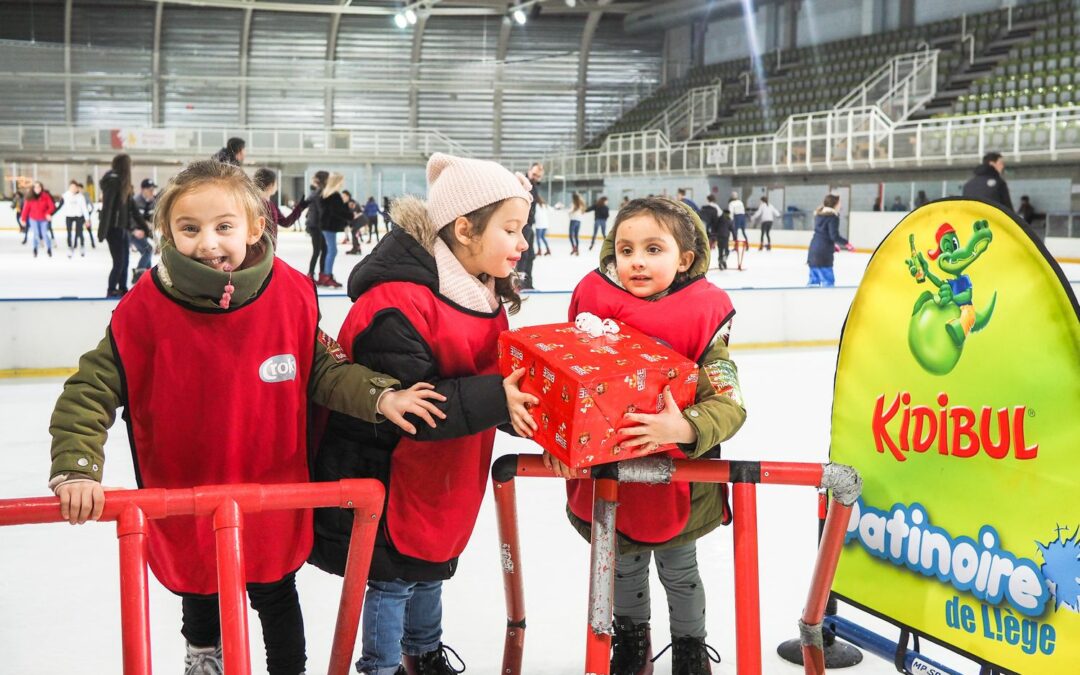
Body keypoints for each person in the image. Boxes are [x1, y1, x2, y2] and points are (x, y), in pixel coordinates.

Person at [48, 159, 443, 675]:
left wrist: (379, 396)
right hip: (187, 487)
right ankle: (204, 657)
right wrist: (77, 465)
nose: (208, 243)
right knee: (200, 586)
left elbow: (320, 369)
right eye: (189, 229)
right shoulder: (143, 310)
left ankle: (288, 669)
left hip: (271, 487)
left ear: (256, 227)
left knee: (275, 589)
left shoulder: (290, 295)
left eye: (224, 227)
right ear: (167, 231)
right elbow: (90, 388)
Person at [309, 153, 538, 675]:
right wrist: (500, 399)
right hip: (390, 472)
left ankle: (424, 651)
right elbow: (421, 406)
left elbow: (492, 383)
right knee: (393, 577)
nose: (522, 243)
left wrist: (532, 409)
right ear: (464, 227)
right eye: (511, 228)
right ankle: (382, 665)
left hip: (447, 473)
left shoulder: (483, 292)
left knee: (432, 565)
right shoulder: (399, 302)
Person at [544, 197, 746, 675]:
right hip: (609, 483)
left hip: (681, 486)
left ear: (685, 259)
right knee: (621, 568)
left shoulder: (705, 328)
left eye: (653, 249)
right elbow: (560, 390)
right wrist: (554, 443)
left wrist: (685, 426)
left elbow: (729, 404)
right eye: (625, 248)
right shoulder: (591, 319)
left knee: (681, 573)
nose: (636, 260)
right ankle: (632, 644)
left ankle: (690, 649)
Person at [98, 154, 147, 297]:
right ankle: (111, 290)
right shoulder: (113, 182)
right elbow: (107, 208)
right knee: (119, 262)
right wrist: (103, 231)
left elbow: (133, 210)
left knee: (125, 262)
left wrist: (146, 229)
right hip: (113, 229)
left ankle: (123, 288)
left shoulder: (123, 184)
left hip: (123, 229)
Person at [807, 194, 855, 287]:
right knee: (828, 283)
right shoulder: (833, 217)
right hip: (823, 255)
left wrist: (832, 246)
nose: (840, 205)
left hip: (813, 252)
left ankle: (809, 300)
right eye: (839, 203)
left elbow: (822, 234)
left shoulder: (819, 215)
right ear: (835, 204)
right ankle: (827, 300)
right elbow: (834, 236)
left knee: (813, 283)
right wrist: (847, 243)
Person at [253, 168, 308, 247]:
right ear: (270, 185)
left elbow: (285, 222)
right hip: (262, 251)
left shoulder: (270, 204)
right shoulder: (259, 204)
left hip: (268, 250)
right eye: (276, 183)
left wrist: (300, 207)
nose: (277, 186)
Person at [318, 173, 350, 288]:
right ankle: (327, 276)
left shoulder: (327, 194)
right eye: (341, 181)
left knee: (331, 250)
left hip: (327, 226)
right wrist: (351, 215)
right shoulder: (334, 196)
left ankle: (326, 275)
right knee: (332, 251)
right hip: (329, 227)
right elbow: (338, 212)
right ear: (337, 182)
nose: (342, 183)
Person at [516, 162, 544, 289]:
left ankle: (528, 283)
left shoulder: (535, 186)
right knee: (523, 255)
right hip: (522, 225)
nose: (535, 177)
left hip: (529, 225)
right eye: (534, 174)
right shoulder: (522, 183)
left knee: (531, 255)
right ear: (529, 170)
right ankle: (520, 283)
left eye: (538, 176)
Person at [131, 178, 158, 283]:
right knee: (148, 250)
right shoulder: (135, 201)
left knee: (147, 252)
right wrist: (134, 230)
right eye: (150, 189)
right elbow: (129, 219)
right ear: (143, 190)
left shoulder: (154, 202)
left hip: (145, 232)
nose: (152, 192)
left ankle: (147, 275)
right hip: (133, 232)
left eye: (153, 189)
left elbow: (155, 220)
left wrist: (157, 240)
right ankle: (139, 274)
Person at [20, 181, 56, 258]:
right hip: (33, 219)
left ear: (41, 188)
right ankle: (35, 248)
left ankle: (49, 248)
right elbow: (25, 209)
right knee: (36, 234)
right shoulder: (29, 197)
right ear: (33, 188)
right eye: (35, 187)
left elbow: (52, 207)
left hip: (43, 219)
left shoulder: (46, 196)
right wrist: (23, 219)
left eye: (39, 187)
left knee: (44, 234)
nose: (37, 189)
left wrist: (47, 213)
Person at [58, 180, 91, 257]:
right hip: (69, 216)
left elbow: (84, 209)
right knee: (69, 233)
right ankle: (70, 247)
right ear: (69, 188)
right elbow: (60, 206)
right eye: (71, 187)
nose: (73, 189)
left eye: (74, 187)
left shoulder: (81, 197)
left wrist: (87, 220)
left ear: (77, 188)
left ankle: (82, 246)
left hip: (78, 216)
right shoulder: (65, 195)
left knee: (80, 232)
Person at [306, 171, 329, 281]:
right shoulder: (320, 193)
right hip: (316, 226)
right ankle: (312, 274)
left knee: (323, 249)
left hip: (315, 225)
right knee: (319, 250)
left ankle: (320, 273)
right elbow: (321, 211)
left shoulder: (318, 192)